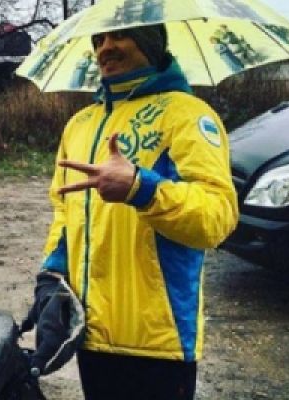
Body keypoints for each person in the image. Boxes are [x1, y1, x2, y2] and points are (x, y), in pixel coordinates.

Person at [39, 24, 239, 400]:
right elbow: (64, 212)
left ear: (150, 40)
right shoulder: (79, 125)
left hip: (158, 342)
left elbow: (217, 216)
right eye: (98, 40)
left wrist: (141, 189)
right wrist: (50, 275)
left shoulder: (187, 115)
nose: (105, 47)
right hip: (92, 335)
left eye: (119, 36)